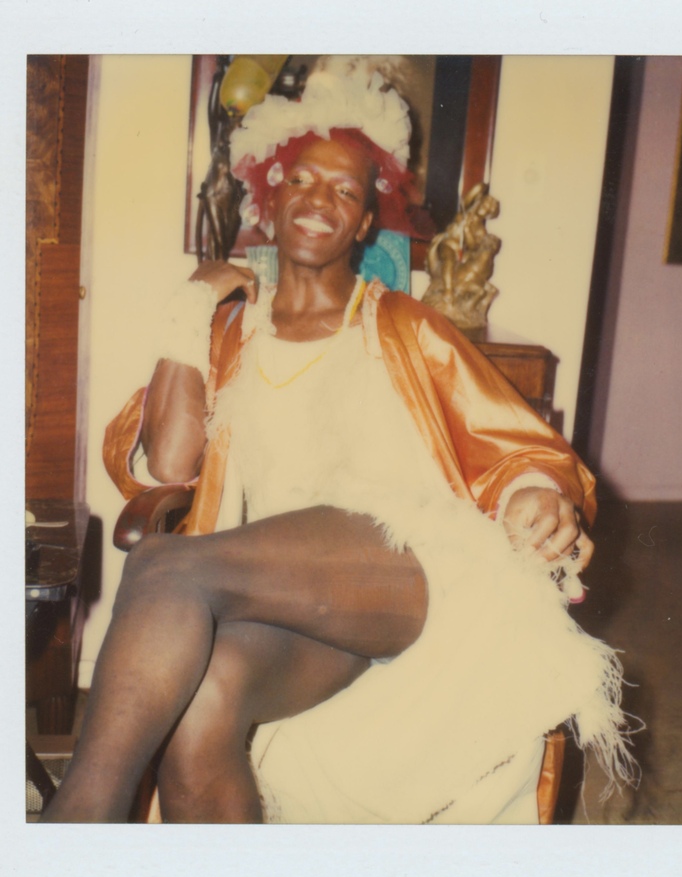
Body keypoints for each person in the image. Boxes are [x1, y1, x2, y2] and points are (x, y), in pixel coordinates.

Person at [42, 66, 635, 824]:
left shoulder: (402, 326)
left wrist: (535, 492)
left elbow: (518, 447)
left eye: (346, 191)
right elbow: (169, 466)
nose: (320, 201)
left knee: (161, 563)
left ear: (365, 225)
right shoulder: (229, 332)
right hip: (288, 597)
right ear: (271, 196)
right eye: (302, 179)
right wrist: (190, 305)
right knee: (204, 702)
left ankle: (75, 829)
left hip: (407, 569)